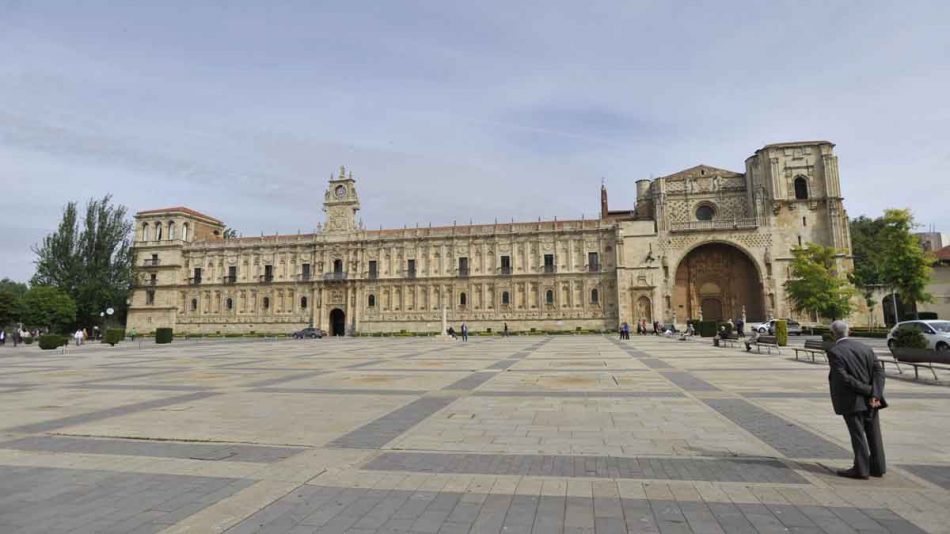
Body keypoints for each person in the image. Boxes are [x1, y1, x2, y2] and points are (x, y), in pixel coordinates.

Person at [827, 320, 886, 479]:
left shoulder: (835, 352)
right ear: (849, 331)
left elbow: (844, 378)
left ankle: (861, 469)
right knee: (874, 433)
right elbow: (879, 373)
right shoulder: (865, 348)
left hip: (852, 400)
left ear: (833, 334)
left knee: (858, 434)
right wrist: (875, 394)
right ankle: (878, 467)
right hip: (872, 399)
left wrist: (867, 390)